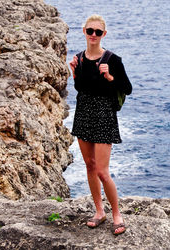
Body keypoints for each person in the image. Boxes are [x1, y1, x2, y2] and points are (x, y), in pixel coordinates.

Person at [69, 14, 132, 235]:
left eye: (98, 32)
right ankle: (99, 211)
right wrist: (74, 73)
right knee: (89, 165)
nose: (93, 35)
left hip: (104, 115)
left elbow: (128, 87)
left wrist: (110, 78)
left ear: (103, 34)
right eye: (90, 31)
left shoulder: (113, 59)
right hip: (84, 113)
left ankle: (116, 214)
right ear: (84, 31)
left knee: (103, 171)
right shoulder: (78, 58)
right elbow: (81, 89)